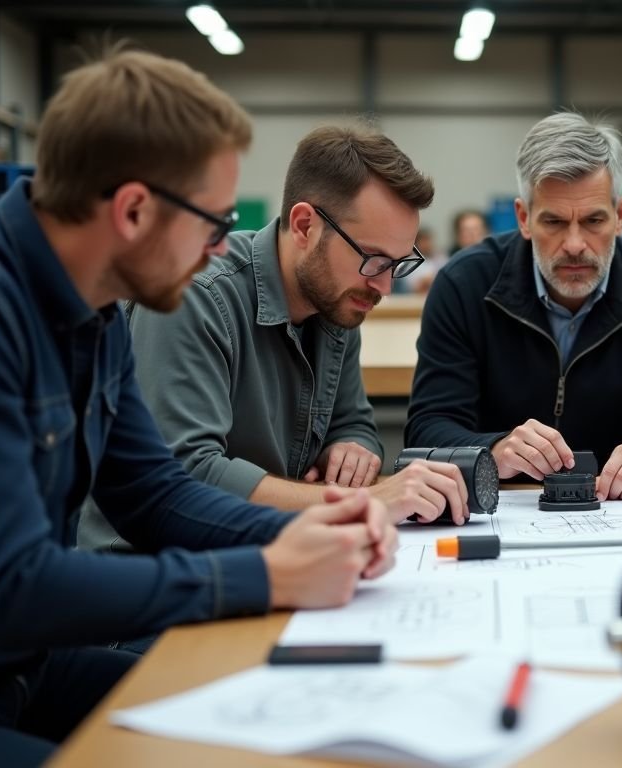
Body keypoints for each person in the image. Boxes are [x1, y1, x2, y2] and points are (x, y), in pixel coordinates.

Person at [0, 50, 397, 766]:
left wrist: (315, 520)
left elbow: (153, 492)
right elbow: (11, 586)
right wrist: (268, 572)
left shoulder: (99, 306)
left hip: (21, 667)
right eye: (214, 222)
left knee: (256, 735)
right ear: (134, 209)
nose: (219, 249)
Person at [78, 125, 468, 561]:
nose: (382, 284)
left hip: (266, 555)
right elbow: (184, 476)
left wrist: (354, 447)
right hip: (152, 579)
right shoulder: (193, 295)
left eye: (398, 264)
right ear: (304, 226)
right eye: (372, 258)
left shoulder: (340, 301)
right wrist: (365, 502)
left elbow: (353, 422)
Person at [406, 112, 622, 499]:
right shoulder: (464, 284)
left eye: (593, 220)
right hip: (498, 504)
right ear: (524, 218)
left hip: (613, 507)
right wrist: (493, 449)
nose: (574, 244)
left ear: (620, 216)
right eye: (553, 222)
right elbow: (427, 426)